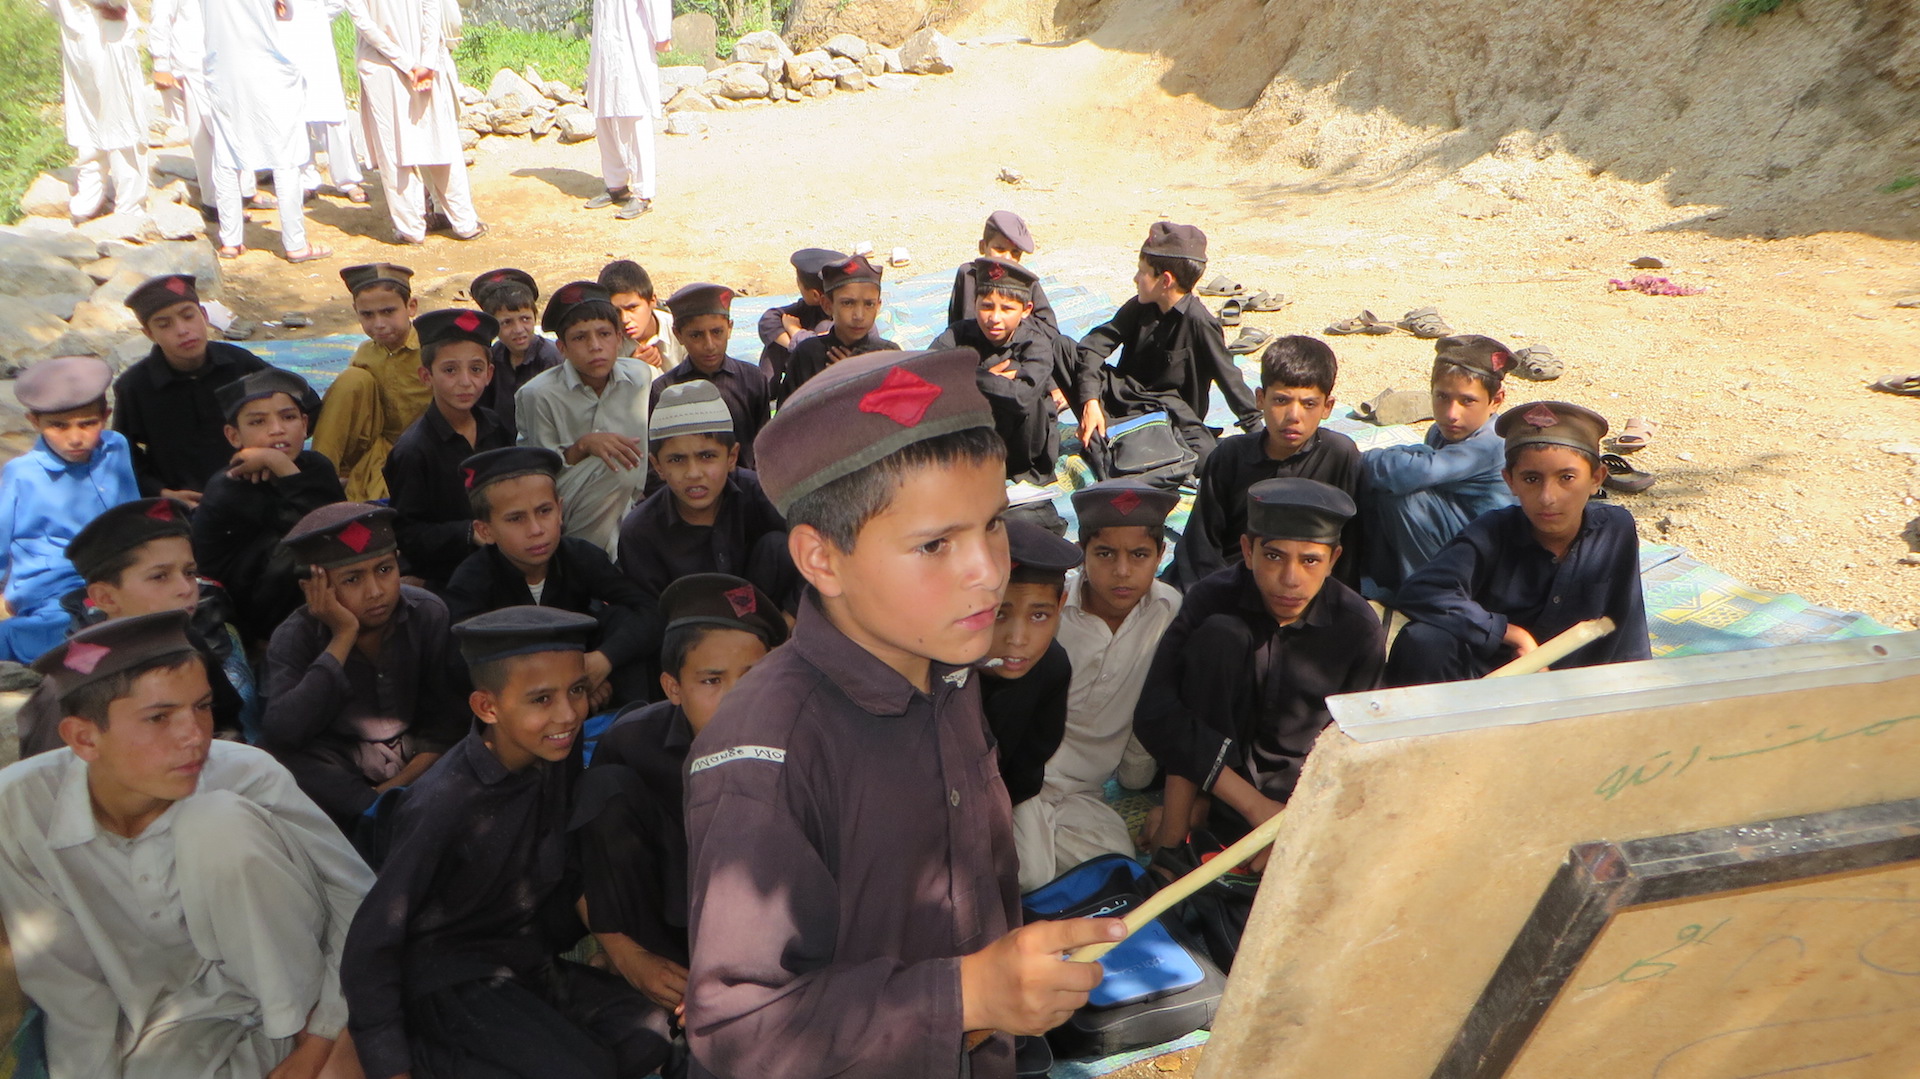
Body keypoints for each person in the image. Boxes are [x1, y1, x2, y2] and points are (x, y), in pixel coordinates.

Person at [683, 347, 1124, 1079]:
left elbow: (980, 877)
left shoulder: (949, 668)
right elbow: (738, 1027)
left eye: (991, 524)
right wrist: (967, 994)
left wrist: (997, 1002)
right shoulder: (766, 755)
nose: (988, 569)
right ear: (821, 560)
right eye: (935, 544)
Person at [0, 609, 374, 1079]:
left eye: (201, 706)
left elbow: (355, 900)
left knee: (216, 820)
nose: (195, 737)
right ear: (84, 738)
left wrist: (324, 1041)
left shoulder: (245, 772)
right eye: (159, 717)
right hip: (177, 1022)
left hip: (317, 997)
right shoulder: (20, 808)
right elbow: (71, 989)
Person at [342, 606, 674, 1079]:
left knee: (650, 1034)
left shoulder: (554, 754)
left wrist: (625, 952)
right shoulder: (443, 804)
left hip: (524, 959)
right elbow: (371, 942)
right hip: (450, 980)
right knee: (586, 1069)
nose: (568, 715)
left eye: (576, 691)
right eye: (541, 699)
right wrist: (388, 1062)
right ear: (487, 707)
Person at [573, 573, 787, 1018]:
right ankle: (658, 979)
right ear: (673, 688)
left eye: (754, 676)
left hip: (775, 931)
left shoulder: (803, 737)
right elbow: (583, 855)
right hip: (671, 923)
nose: (736, 698)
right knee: (605, 791)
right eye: (711, 681)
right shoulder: (632, 743)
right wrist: (629, 956)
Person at [1135, 479, 1385, 856]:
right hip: (1216, 777)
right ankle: (1175, 837)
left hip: (1299, 793)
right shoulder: (1213, 598)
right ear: (1247, 551)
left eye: (1310, 560)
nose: (1290, 579)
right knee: (1221, 635)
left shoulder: (1357, 627)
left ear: (1333, 560)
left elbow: (1357, 750)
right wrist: (1252, 807)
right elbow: (1156, 713)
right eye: (1274, 556)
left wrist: (1290, 822)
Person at [1384, 401, 1652, 686]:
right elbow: (1422, 590)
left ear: (1596, 478)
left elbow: (1627, 621)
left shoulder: (1614, 529)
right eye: (1532, 479)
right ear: (1510, 481)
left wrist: (1637, 688)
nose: (1548, 497)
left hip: (1576, 692)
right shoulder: (1492, 532)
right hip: (1491, 684)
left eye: (1567, 478)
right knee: (1424, 640)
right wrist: (1508, 634)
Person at [262, 502, 467, 834]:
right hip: (341, 766)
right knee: (277, 757)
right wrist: (342, 637)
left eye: (385, 570)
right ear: (314, 588)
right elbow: (284, 731)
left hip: (418, 757)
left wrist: (386, 792)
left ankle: (377, 812)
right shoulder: (294, 636)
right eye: (352, 579)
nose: (375, 591)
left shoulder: (428, 614)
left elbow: (445, 723)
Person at [1024, 479, 1180, 882]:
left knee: (1115, 863)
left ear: (1162, 554)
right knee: (1031, 872)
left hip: (1081, 792)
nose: (1122, 571)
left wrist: (1137, 773)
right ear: (1081, 553)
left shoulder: (1170, 612)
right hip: (1018, 776)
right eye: (1105, 554)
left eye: (1140, 554)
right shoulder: (1050, 611)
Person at [16, 497, 255, 756]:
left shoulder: (188, 642)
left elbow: (225, 720)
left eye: (189, 572)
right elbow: (53, 774)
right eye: (159, 576)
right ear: (106, 598)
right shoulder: (76, 678)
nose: (186, 589)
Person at [444, 446, 661, 709]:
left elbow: (650, 610)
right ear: (485, 530)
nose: (536, 530)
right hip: (518, 702)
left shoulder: (580, 557)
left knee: (622, 620)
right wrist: (573, 685)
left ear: (560, 511)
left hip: (584, 677)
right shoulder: (471, 581)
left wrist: (603, 661)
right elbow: (464, 663)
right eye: (516, 518)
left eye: (544, 511)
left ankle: (629, 725)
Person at [1173, 334, 1363, 589]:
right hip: (1230, 586)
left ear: (1327, 407)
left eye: (1309, 404)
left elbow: (1348, 548)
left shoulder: (1339, 455)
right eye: (1281, 400)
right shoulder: (1230, 456)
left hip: (1302, 590)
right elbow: (1200, 546)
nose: (1293, 416)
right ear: (1260, 399)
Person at [1076, 221, 1259, 461]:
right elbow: (1092, 347)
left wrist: (1258, 434)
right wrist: (1090, 401)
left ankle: (1127, 442)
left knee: (1209, 458)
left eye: (1142, 272)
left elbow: (1230, 379)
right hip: (1125, 398)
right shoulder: (1139, 306)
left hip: (1170, 415)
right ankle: (1114, 434)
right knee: (1063, 349)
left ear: (1165, 281)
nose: (1135, 278)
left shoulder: (1200, 323)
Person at [191, 368, 347, 644]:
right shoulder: (229, 488)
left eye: (288, 417)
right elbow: (319, 537)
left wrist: (283, 468)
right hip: (245, 611)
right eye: (258, 422)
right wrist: (282, 466)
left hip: (304, 593)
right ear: (234, 436)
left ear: (304, 423)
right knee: (296, 553)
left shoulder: (317, 466)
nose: (277, 430)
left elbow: (343, 531)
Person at [0, 356, 138, 664]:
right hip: (54, 586)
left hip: (116, 572)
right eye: (58, 426)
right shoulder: (22, 474)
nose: (75, 438)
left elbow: (130, 517)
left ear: (106, 415)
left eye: (88, 424)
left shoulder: (115, 447)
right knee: (76, 628)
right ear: (34, 422)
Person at [1363, 334, 1519, 603]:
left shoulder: (1491, 443)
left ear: (1496, 400)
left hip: (1490, 558)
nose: (1451, 413)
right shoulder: (1442, 431)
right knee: (1381, 485)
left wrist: (1361, 458)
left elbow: (1409, 474)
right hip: (1459, 538)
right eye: (1442, 397)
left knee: (1406, 498)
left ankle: (1429, 596)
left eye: (1467, 401)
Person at [617, 380, 795, 607]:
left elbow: (824, 557)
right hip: (692, 633)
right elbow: (647, 614)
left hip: (775, 629)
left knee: (780, 545)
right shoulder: (640, 532)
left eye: (707, 456)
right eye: (677, 459)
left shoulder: (764, 495)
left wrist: (786, 621)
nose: (693, 473)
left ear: (731, 457)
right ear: (658, 466)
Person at [980, 521, 1083, 892]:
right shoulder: (939, 667)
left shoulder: (1053, 667)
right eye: (998, 615)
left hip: (1004, 793)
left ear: (1061, 604)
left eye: (1039, 616)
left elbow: (1030, 763)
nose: (1018, 639)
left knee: (1032, 873)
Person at [515, 280, 654, 554]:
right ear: (562, 348)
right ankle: (581, 559)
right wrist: (582, 447)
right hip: (563, 506)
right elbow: (540, 476)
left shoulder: (640, 377)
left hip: (630, 504)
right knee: (618, 463)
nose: (595, 346)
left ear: (619, 338)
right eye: (580, 338)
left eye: (604, 334)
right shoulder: (538, 395)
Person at [113, 274, 276, 504]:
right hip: (184, 503)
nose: (182, 330)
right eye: (164, 324)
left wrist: (269, 455)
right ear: (149, 334)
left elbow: (300, 405)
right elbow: (121, 453)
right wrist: (160, 492)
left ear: (205, 315)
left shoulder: (239, 364)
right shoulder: (134, 386)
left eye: (188, 316)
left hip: (254, 488)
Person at [384, 308, 512, 591]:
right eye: (450, 370)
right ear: (426, 375)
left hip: (501, 558)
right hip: (445, 573)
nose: (465, 381)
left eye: (476, 369)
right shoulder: (413, 450)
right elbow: (406, 533)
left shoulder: (493, 425)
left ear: (489, 373)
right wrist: (469, 533)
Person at [341, 0, 484, 244]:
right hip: (422, 64)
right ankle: (464, 222)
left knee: (394, 149)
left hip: (382, 64)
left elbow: (364, 23)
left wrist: (408, 63)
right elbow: (432, 10)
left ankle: (411, 228)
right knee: (439, 139)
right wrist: (425, 62)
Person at [199, 0, 330, 261]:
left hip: (223, 67)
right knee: (286, 156)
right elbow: (288, 11)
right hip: (265, 65)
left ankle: (230, 240)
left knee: (226, 156)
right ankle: (295, 242)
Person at [932, 256, 1076, 485]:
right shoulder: (959, 333)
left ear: (1026, 310)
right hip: (970, 449)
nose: (994, 318)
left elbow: (1021, 397)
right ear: (975, 302)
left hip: (1023, 455)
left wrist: (967, 376)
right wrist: (990, 378)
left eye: (1007, 308)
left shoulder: (1036, 344)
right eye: (986, 306)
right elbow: (927, 369)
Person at [311, 263, 428, 501]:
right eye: (367, 315)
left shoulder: (433, 350)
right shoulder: (365, 354)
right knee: (352, 380)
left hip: (426, 448)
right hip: (379, 446)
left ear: (411, 307)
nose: (379, 324)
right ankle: (318, 475)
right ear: (356, 311)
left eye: (388, 311)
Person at [650, 282, 772, 469]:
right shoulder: (664, 391)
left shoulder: (752, 379)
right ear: (678, 335)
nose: (709, 345)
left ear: (730, 328)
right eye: (696, 335)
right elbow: (657, 461)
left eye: (717, 332)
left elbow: (764, 449)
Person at [44, 0, 148, 220]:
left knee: (86, 111)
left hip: (74, 26)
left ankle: (88, 198)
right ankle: (129, 205)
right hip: (106, 29)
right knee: (122, 115)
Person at [585, 0, 670, 219]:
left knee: (633, 112)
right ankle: (616, 185)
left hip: (631, 38)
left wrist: (662, 34)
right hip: (604, 40)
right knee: (604, 111)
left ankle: (643, 193)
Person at [777, 253, 900, 404]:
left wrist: (860, 379)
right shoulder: (807, 355)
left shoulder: (888, 356)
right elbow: (787, 417)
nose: (859, 315)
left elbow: (904, 414)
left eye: (869, 304)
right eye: (848, 303)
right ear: (827, 305)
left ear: (878, 306)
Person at [278, 0, 367, 203]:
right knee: (292, 113)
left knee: (331, 113)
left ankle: (348, 178)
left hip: (314, 37)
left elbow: (336, 3)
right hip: (280, 38)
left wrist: (314, 17)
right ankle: (305, 178)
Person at [472, 267, 563, 437]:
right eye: (506, 322)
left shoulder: (550, 358)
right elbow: (485, 409)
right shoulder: (493, 357)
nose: (519, 329)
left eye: (525, 319)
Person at [945, 210, 1057, 332]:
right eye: (999, 249)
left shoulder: (1025, 282)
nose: (1007, 258)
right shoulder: (968, 274)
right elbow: (955, 324)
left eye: (1015, 252)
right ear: (983, 247)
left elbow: (1050, 331)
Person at [756, 247, 842, 383]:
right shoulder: (809, 308)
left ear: (815, 295)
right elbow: (769, 319)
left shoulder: (846, 316)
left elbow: (824, 346)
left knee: (822, 328)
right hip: (804, 368)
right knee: (775, 342)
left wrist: (795, 331)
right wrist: (792, 343)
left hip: (831, 379)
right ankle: (765, 392)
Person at [598, 259, 683, 372]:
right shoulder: (603, 344)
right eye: (615, 312)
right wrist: (631, 371)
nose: (624, 319)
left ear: (653, 301)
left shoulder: (680, 329)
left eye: (632, 308)